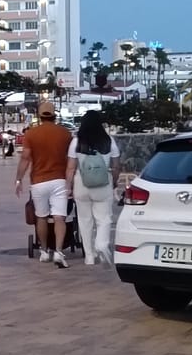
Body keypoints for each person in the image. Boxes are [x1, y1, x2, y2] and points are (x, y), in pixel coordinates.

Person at [15, 101, 72, 267]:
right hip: (60, 180)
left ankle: (44, 250)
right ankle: (59, 252)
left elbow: (25, 159)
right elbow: (71, 160)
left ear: (39, 116)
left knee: (41, 216)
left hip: (39, 181)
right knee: (59, 217)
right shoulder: (65, 134)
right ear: (54, 115)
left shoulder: (31, 134)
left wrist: (18, 179)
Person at [65, 110, 120, 265]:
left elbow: (70, 168)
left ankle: (89, 256)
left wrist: (68, 187)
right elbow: (116, 166)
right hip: (103, 184)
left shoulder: (76, 142)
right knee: (104, 218)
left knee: (84, 220)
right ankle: (102, 245)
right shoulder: (109, 141)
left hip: (81, 184)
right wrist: (114, 182)